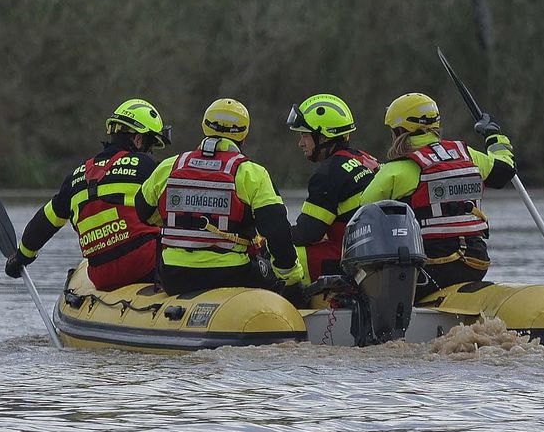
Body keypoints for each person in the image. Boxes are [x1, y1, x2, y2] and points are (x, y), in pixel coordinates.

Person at [136, 97, 306, 296]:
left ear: (205, 127)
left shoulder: (170, 165)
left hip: (173, 275)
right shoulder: (251, 173)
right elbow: (277, 231)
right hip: (231, 274)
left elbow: (143, 212)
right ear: (244, 136)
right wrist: (292, 279)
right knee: (277, 279)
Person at [358, 92, 515, 295]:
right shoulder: (467, 154)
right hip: (477, 262)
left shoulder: (397, 170)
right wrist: (494, 136)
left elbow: (363, 211)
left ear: (399, 130)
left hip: (432, 267)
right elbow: (504, 171)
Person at [5, 98, 169, 291]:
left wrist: (21, 257)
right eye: (150, 145)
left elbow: (44, 222)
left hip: (102, 277)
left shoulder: (75, 177)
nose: (149, 152)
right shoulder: (147, 167)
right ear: (138, 139)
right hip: (146, 267)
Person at [285, 93, 379, 278]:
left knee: (281, 255)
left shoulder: (329, 173)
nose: (300, 143)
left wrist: (272, 235)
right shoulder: (366, 158)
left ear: (324, 137)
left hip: (353, 258)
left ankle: (295, 303)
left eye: (305, 135)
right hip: (375, 253)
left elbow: (307, 233)